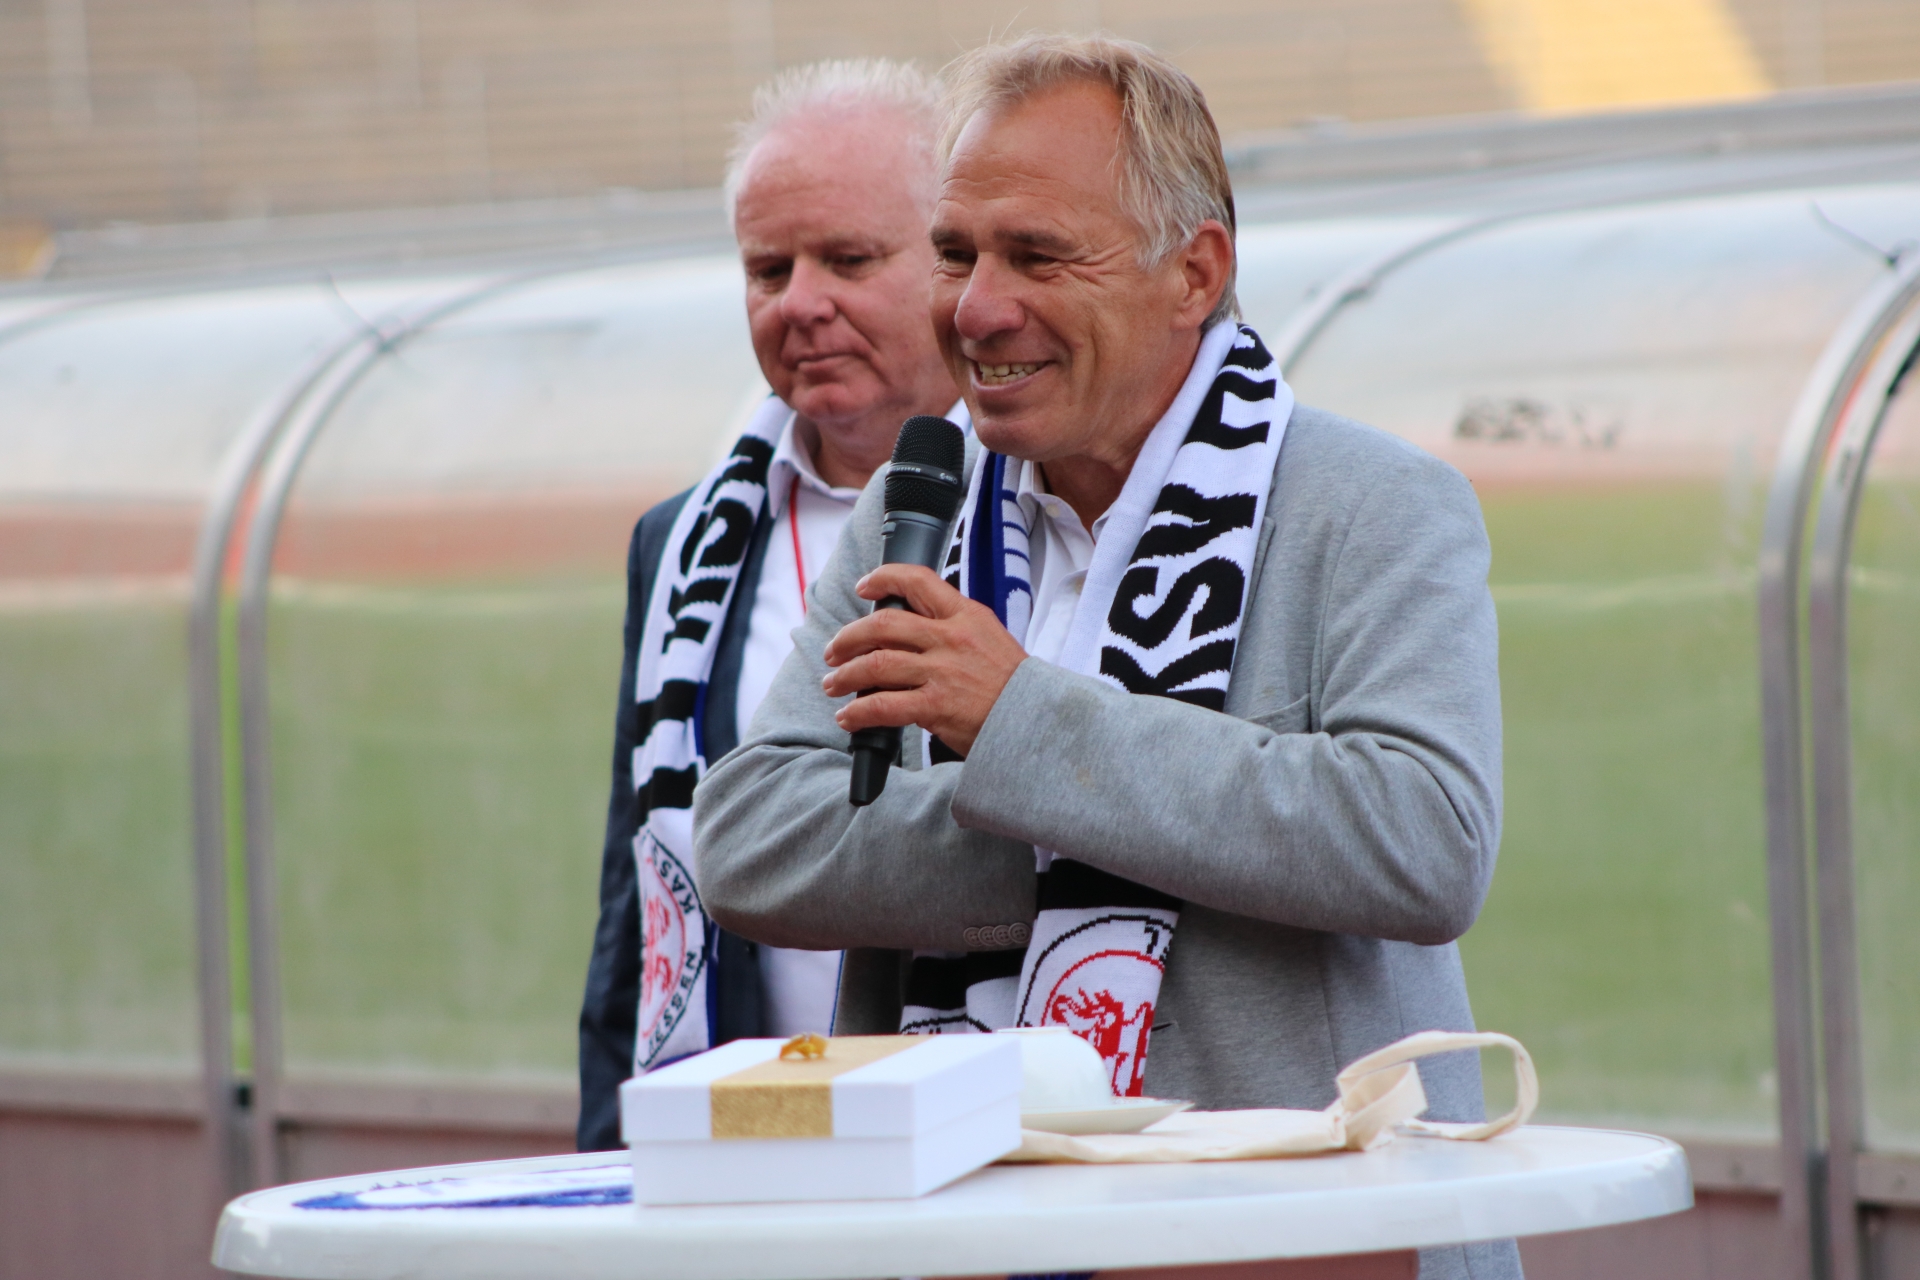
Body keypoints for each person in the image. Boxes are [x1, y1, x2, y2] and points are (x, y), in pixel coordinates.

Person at [693, 35, 1519, 1280]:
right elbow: (754, 839)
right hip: (964, 1234)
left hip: (1297, 1238)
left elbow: (1423, 838)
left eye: (1037, 255)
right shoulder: (918, 505)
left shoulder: (1372, 506)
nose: (977, 308)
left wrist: (1020, 723)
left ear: (1195, 271)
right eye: (958, 252)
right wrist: (1087, 829)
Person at [575, 58, 960, 1153]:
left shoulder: (1056, 507)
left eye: (849, 258)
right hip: (750, 1142)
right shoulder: (682, 542)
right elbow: (637, 897)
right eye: (767, 268)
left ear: (955, 264)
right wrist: (614, 1155)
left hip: (983, 1129)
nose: (800, 302)